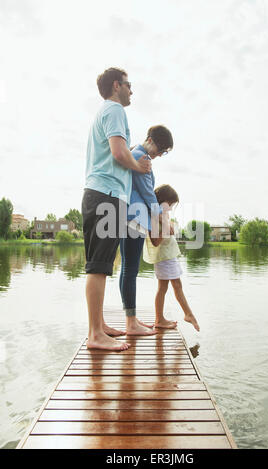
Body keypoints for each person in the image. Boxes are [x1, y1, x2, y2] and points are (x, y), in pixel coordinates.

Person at [82, 67, 151, 351]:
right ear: (116, 86)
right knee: (98, 267)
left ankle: (98, 327)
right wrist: (140, 166)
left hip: (105, 195)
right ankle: (95, 335)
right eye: (128, 85)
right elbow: (119, 153)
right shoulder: (114, 110)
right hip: (106, 195)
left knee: (103, 265)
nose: (131, 90)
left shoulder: (107, 112)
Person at [119, 126, 175, 334]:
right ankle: (131, 323)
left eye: (164, 152)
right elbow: (148, 194)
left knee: (127, 269)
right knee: (130, 270)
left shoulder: (133, 154)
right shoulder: (141, 157)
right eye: (160, 149)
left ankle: (130, 319)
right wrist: (162, 220)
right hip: (135, 218)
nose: (159, 154)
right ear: (150, 140)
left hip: (127, 216)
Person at [143, 184, 200, 331]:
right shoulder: (155, 216)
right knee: (167, 287)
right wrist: (166, 230)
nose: (170, 208)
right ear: (162, 201)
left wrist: (170, 227)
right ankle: (171, 317)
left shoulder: (163, 215)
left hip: (169, 255)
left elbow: (167, 231)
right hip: (163, 257)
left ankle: (175, 316)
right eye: (169, 204)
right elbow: (155, 241)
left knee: (170, 286)